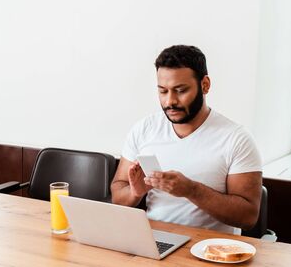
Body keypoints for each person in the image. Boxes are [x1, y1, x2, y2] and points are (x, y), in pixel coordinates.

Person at [111, 45, 262, 234]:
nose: (170, 101)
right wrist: (135, 192)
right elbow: (118, 195)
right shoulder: (144, 130)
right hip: (153, 242)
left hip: (210, 251)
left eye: (180, 90)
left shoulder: (237, 139)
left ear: (205, 85)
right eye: (163, 91)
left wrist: (191, 190)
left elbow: (248, 217)